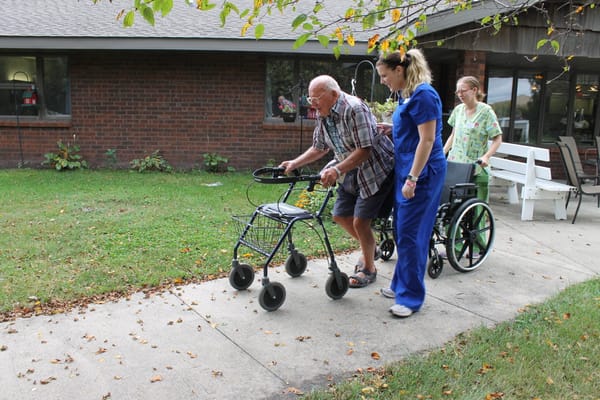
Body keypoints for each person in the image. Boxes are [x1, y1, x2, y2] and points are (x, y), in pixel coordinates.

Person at [279, 75, 395, 288]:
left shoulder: (354, 109)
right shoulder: (324, 113)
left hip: (375, 168)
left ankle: (369, 269)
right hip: (349, 166)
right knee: (340, 215)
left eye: (316, 98)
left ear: (333, 94)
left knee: (361, 221)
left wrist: (337, 169)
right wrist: (294, 163)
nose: (312, 103)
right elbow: (319, 147)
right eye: (310, 99)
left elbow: (365, 149)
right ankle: (371, 247)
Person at [375, 49, 447, 318]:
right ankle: (400, 285)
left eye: (384, 75)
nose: (383, 80)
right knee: (402, 229)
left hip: (422, 172)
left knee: (412, 233)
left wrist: (413, 178)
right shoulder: (408, 96)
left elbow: (427, 140)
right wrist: (391, 129)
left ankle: (411, 298)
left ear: (399, 70)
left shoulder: (424, 95)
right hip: (407, 168)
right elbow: (413, 130)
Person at [444, 76, 503, 203]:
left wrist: (486, 157)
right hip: (456, 163)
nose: (460, 94)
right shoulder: (458, 110)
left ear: (474, 90)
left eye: (463, 91)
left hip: (475, 164)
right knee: (451, 201)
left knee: (475, 204)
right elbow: (453, 135)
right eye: (457, 92)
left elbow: (497, 139)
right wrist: (443, 152)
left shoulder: (486, 111)